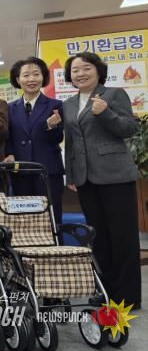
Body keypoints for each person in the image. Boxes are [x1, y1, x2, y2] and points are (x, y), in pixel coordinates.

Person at [63, 51, 141, 308]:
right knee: (98, 237)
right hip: (85, 178)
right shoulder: (69, 103)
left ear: (98, 71)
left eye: (86, 68)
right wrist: (71, 174)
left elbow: (130, 128)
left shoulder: (114, 95)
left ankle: (127, 295)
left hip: (115, 174)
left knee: (123, 236)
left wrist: (106, 113)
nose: (80, 74)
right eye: (75, 70)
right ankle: (107, 289)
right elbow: (71, 142)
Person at [4, 57, 65, 225]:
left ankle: (55, 243)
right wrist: (9, 153)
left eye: (36, 74)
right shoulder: (9, 108)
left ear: (43, 77)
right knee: (25, 220)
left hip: (48, 171)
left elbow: (58, 138)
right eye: (26, 75)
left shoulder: (56, 105)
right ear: (18, 80)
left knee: (52, 218)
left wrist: (51, 126)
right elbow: (7, 136)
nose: (31, 79)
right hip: (20, 171)